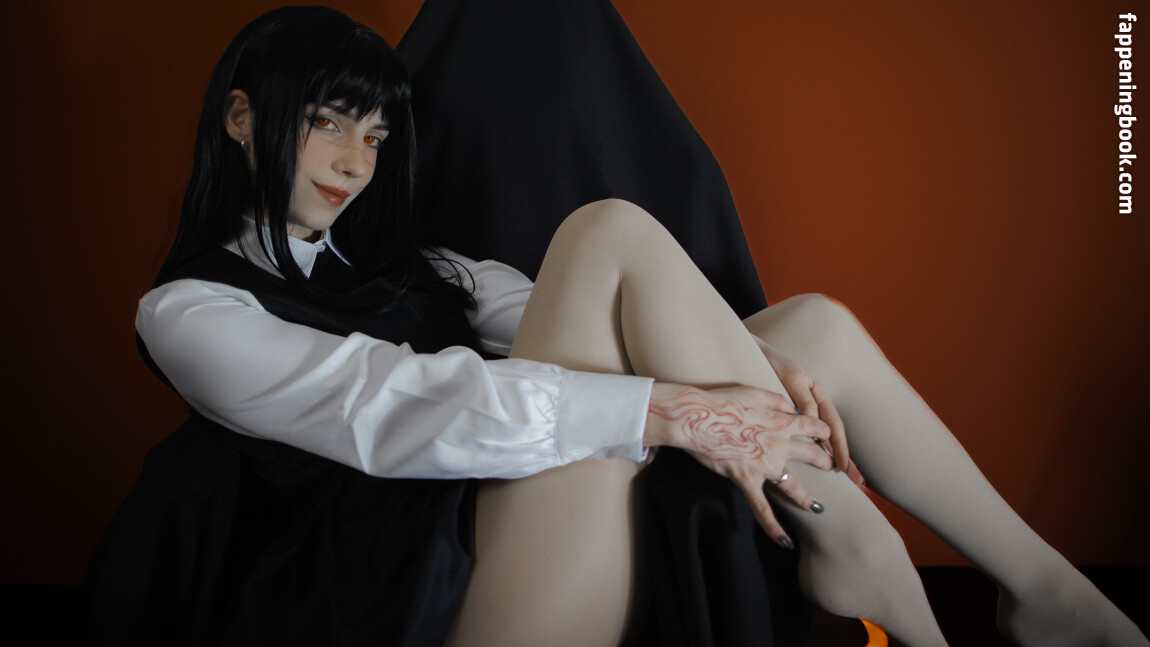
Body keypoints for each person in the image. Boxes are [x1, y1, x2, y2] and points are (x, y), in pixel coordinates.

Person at [102, 5, 1147, 647]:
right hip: (440, 605)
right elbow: (394, 404)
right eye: (327, 122)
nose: (353, 161)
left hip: (528, 539)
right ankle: (855, 536)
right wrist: (677, 411)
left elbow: (547, 314)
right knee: (606, 231)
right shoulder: (191, 310)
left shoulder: (420, 261)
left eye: (373, 135)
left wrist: (751, 363)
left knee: (813, 327)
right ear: (242, 116)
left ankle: (1042, 588)